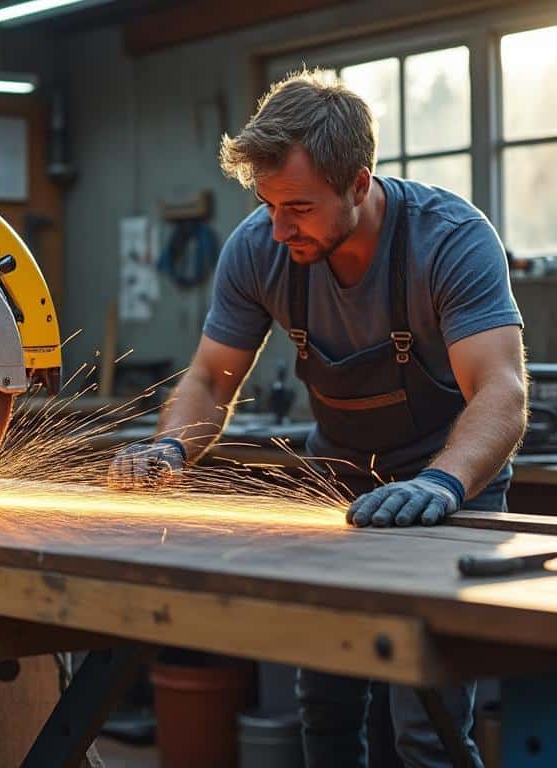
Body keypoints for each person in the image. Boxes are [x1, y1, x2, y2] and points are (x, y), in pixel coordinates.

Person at [107, 69, 527, 767]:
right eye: (268, 205)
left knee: (426, 730)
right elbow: (212, 379)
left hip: (452, 493)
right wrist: (171, 451)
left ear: (358, 184)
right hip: (339, 491)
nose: (278, 227)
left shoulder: (450, 240)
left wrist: (439, 485)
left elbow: (502, 394)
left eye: (298, 207)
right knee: (325, 713)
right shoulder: (258, 246)